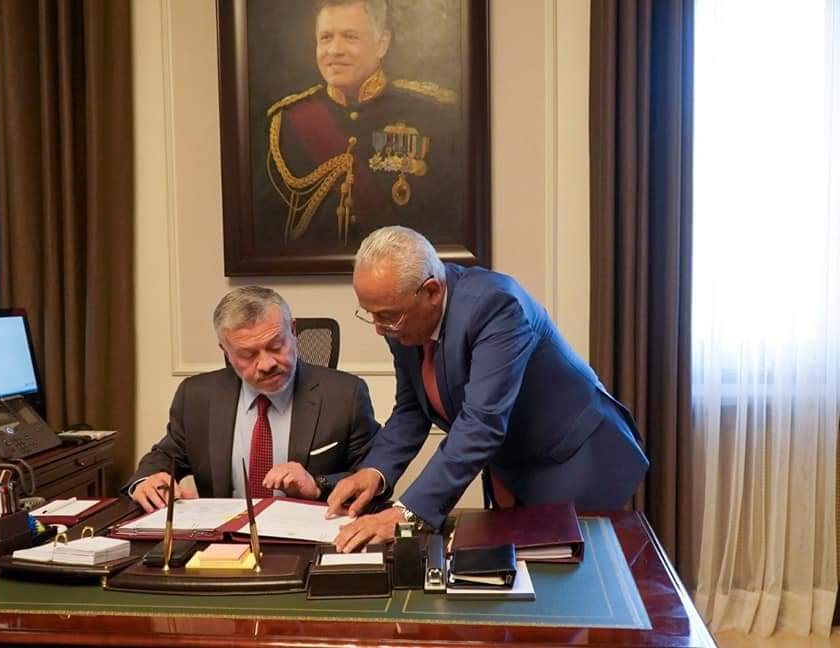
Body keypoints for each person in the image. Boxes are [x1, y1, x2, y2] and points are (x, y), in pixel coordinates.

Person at [327, 226, 649, 552]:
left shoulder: (496, 305)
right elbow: (412, 410)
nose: (380, 329)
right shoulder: (403, 322)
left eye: (387, 316)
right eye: (371, 314)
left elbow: (481, 424)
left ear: (432, 291)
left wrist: (407, 513)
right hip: (511, 464)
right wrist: (375, 470)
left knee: (569, 573)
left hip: (573, 456)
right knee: (512, 571)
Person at [123, 286, 379, 512]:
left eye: (276, 346)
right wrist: (147, 481)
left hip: (308, 538)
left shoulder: (345, 395)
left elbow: (372, 473)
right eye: (247, 355)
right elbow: (165, 456)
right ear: (226, 351)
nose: (266, 364)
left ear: (293, 330)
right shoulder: (197, 397)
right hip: (224, 541)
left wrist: (318, 484)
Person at [260, 0, 461, 247]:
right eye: (326, 37)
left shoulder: (430, 115)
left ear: (382, 43)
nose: (335, 50)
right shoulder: (287, 122)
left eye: (350, 37)